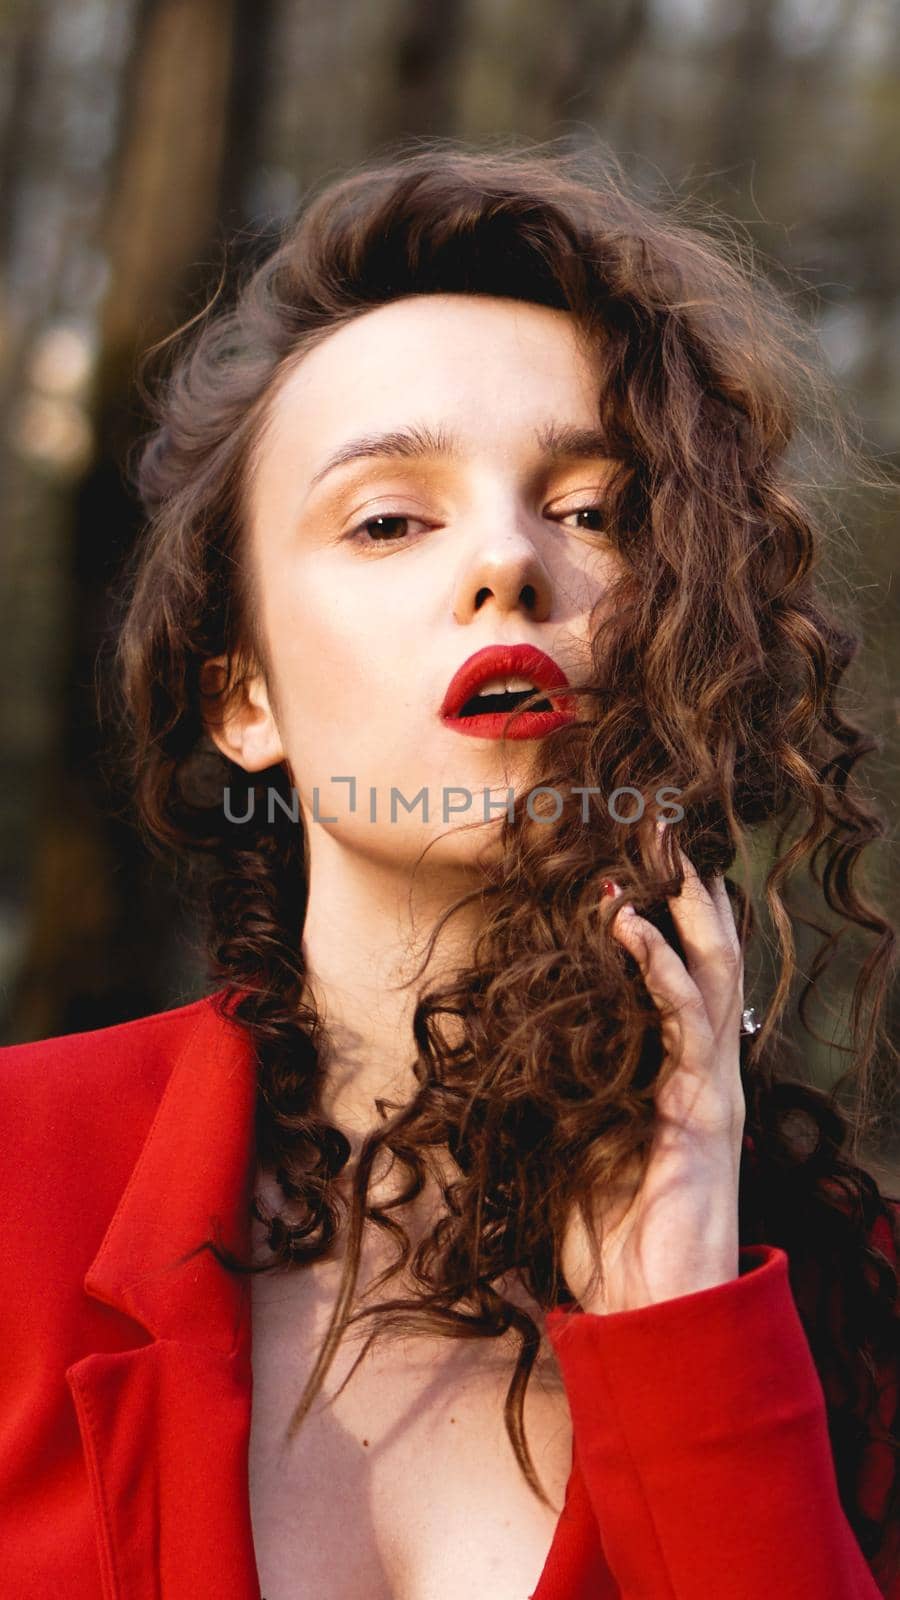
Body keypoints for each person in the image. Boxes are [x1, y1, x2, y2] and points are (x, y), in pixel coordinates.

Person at [1, 141, 897, 1600]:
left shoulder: (853, 1311)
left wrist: (686, 1330)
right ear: (247, 702)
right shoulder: (15, 1185)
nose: (508, 560)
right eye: (388, 519)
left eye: (597, 511)